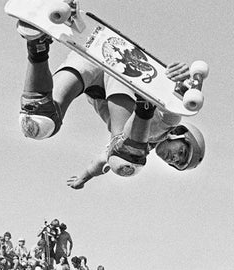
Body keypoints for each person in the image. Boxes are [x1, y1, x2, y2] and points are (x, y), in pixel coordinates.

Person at [15, 24, 206, 189]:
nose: (173, 159)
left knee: (37, 122)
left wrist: (84, 177)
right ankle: (145, 103)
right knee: (126, 158)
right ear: (181, 134)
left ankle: (36, 45)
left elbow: (100, 162)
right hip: (123, 69)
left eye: (177, 163)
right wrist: (177, 78)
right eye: (181, 152)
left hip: (91, 65)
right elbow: (174, 102)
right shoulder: (169, 123)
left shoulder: (143, 145)